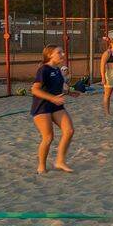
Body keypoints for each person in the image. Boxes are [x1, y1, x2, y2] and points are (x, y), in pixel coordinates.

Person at [31, 45, 78, 173]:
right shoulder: (43, 70)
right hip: (42, 107)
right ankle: (41, 166)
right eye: (59, 52)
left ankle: (60, 161)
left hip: (55, 106)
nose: (62, 54)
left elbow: (56, 88)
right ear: (50, 55)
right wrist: (52, 98)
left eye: (62, 52)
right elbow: (34, 89)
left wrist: (69, 92)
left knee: (69, 130)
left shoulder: (57, 70)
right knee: (48, 137)